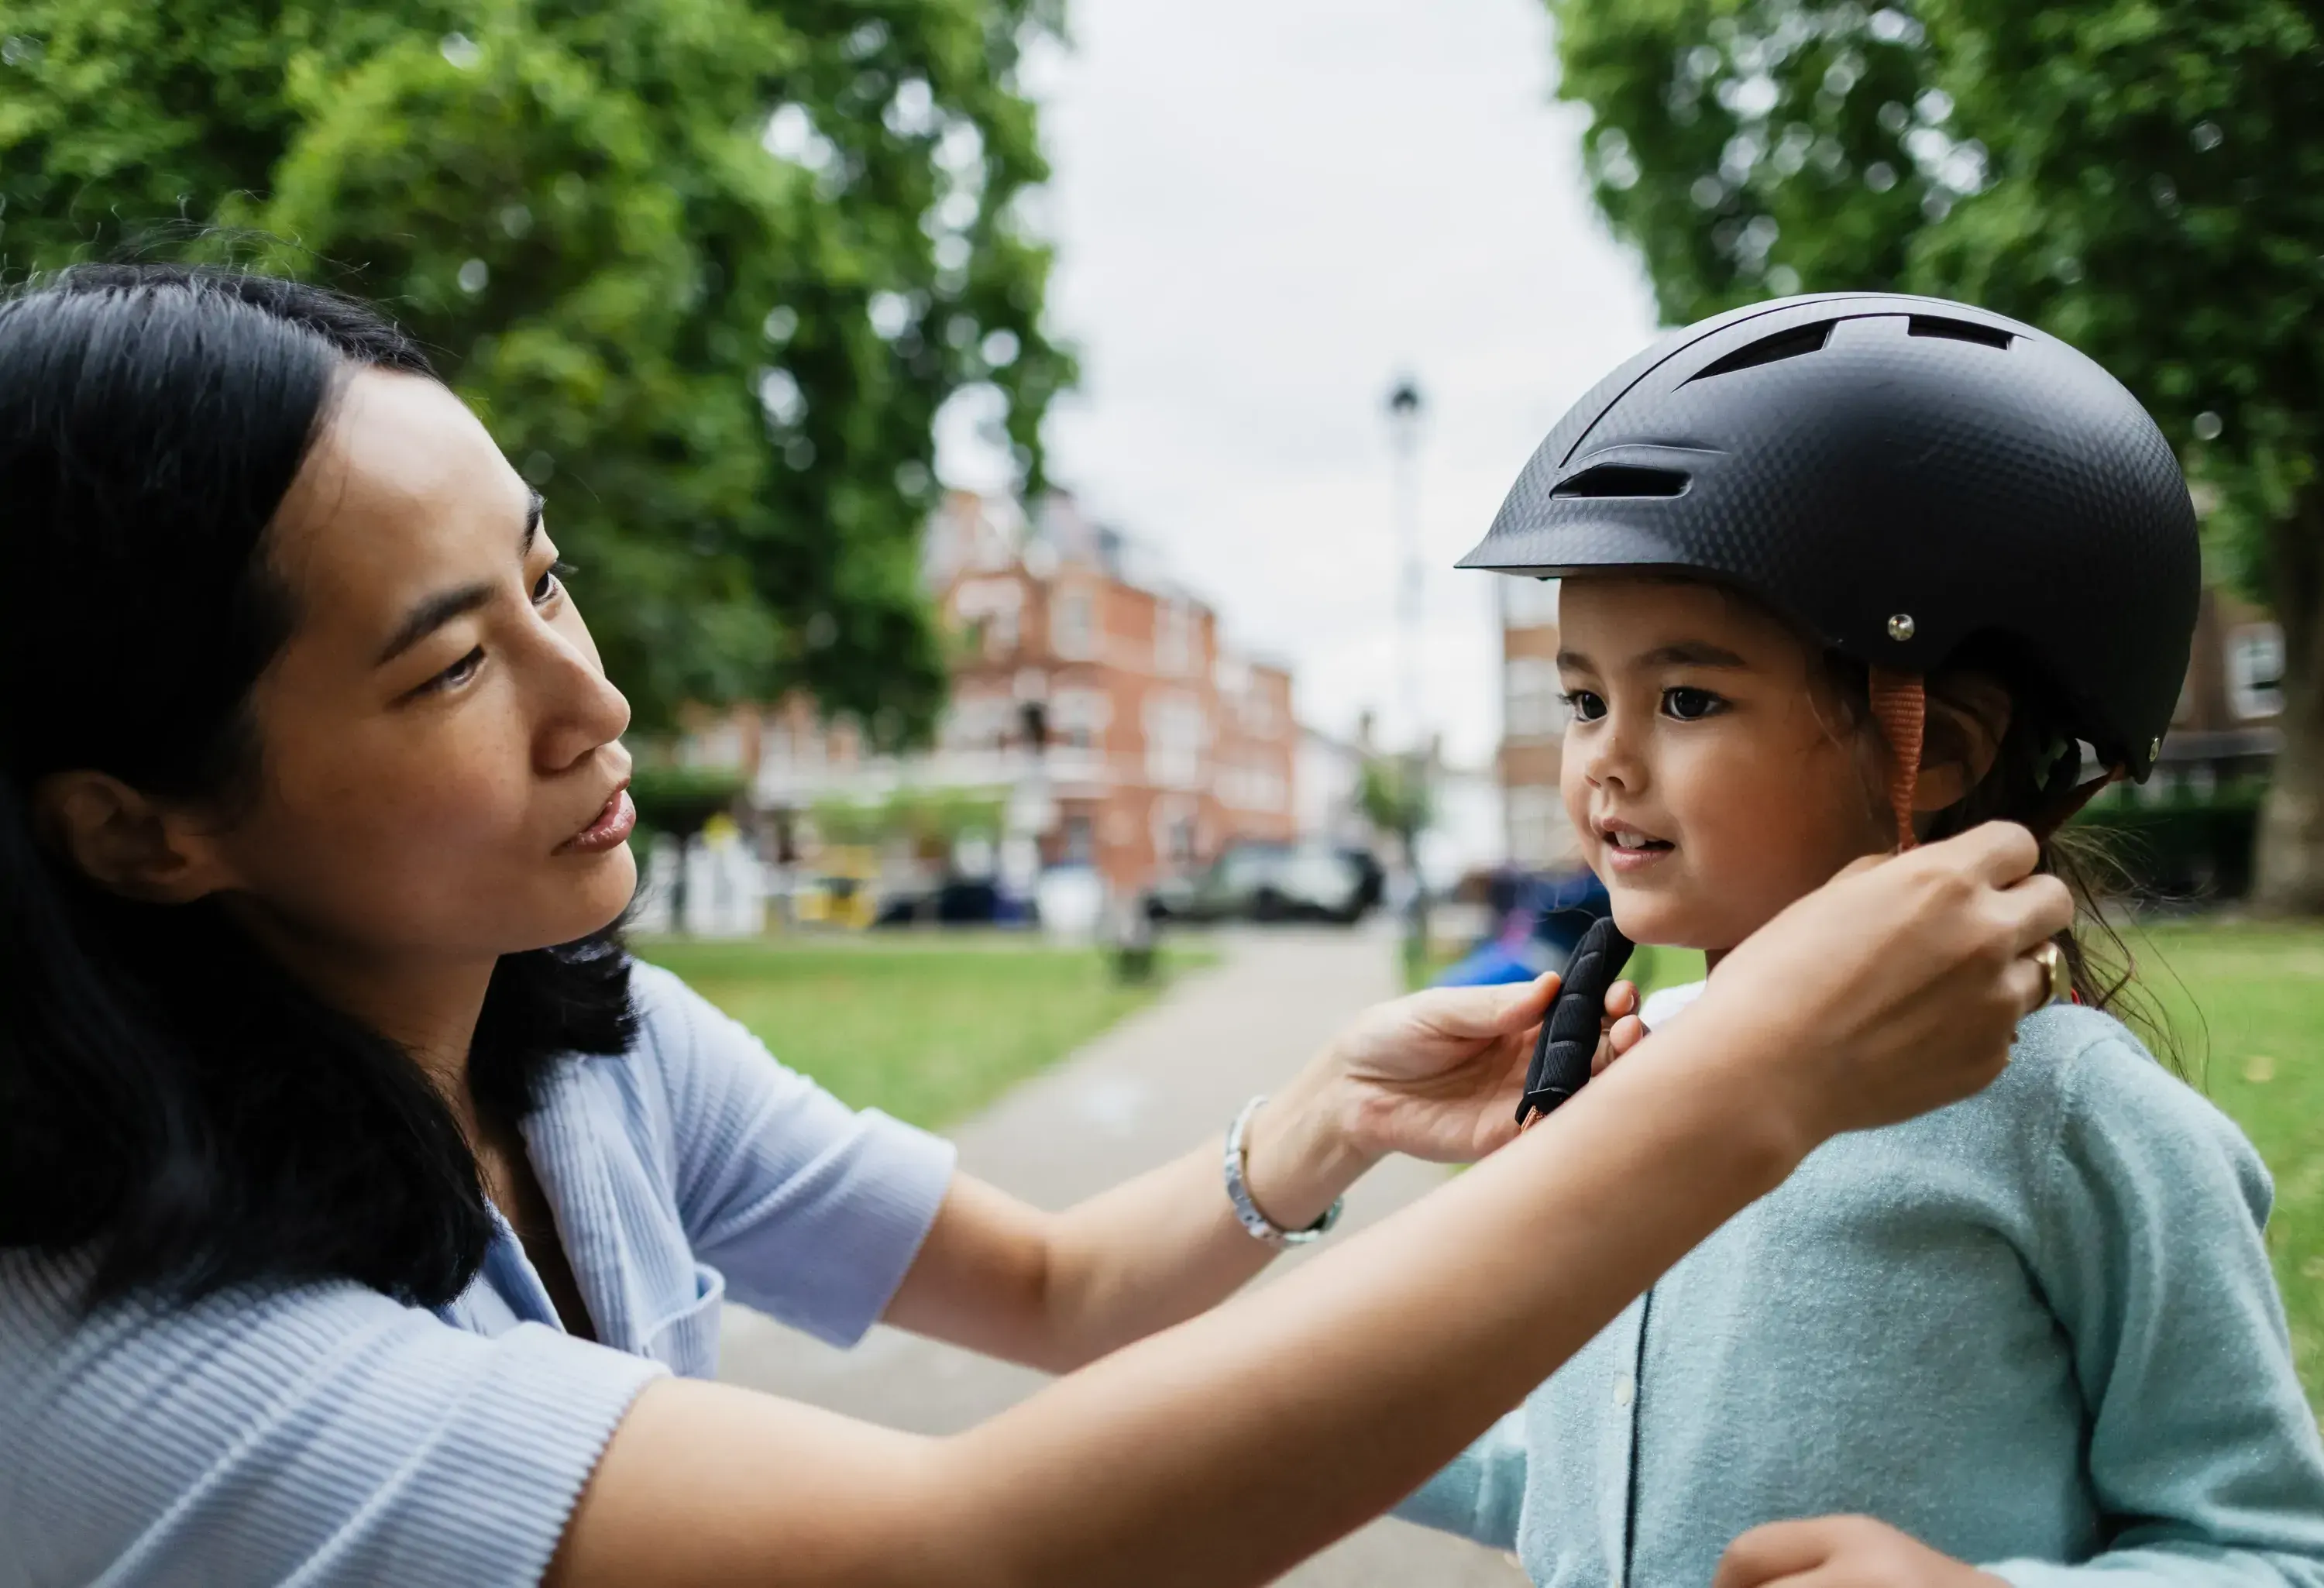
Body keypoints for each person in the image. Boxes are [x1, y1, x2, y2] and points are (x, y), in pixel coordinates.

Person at [0, 266, 2069, 1588]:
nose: (593, 698)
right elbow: (981, 1547)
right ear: (145, 827)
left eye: (550, 579)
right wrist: (1753, 1085)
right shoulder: (137, 1361)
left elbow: (1062, 1283)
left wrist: (1319, 1121)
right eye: (454, 666)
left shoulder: (570, 1039)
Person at [1396, 293, 2324, 1588]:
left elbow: (2267, 1549)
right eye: (1581, 696)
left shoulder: (2071, 1119)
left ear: (1936, 743)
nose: (1605, 757)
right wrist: (1232, 1388)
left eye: (1686, 696)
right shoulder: (1620, 1069)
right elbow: (1572, 1468)